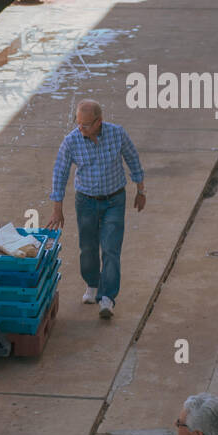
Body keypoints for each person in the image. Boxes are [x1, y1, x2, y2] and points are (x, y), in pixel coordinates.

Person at [46, 100, 145, 320]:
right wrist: (57, 209)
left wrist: (140, 189)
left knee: (111, 248)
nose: (80, 128)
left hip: (114, 200)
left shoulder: (117, 134)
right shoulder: (71, 141)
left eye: (86, 125)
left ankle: (107, 298)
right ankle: (92, 283)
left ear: (99, 122)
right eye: (78, 123)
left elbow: (132, 159)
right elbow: (60, 173)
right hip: (86, 202)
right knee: (88, 248)